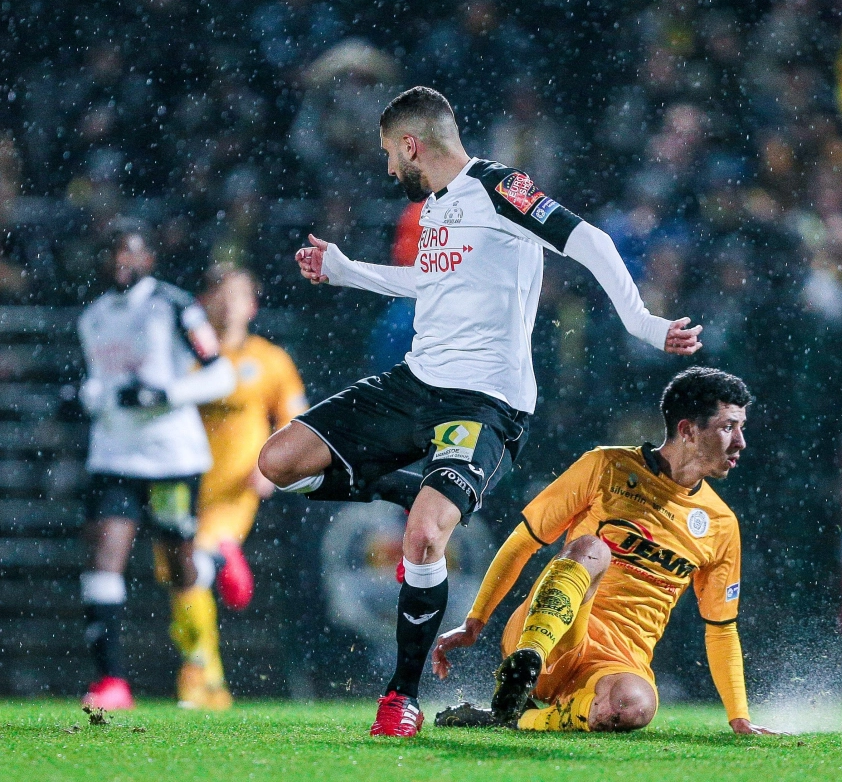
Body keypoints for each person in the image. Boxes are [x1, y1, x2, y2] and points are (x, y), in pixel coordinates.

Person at [256, 86, 702, 737]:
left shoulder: (499, 187)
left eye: (388, 154)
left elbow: (590, 241)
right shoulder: (439, 207)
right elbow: (431, 284)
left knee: (426, 537)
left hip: (484, 401)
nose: (387, 169)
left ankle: (400, 698)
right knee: (279, 462)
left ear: (413, 143)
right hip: (414, 383)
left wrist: (642, 322)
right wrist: (347, 270)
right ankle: (411, 487)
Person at [432, 368, 776, 735]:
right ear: (688, 430)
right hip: (550, 631)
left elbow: (721, 627)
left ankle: (515, 718)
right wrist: (476, 620)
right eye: (728, 427)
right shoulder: (605, 466)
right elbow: (524, 541)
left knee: (635, 707)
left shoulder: (721, 523)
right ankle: (527, 662)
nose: (740, 441)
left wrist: (739, 717)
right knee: (592, 548)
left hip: (616, 663)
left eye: (741, 428)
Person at [77, 230, 237, 710]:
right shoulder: (93, 316)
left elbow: (220, 373)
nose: (121, 260)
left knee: (179, 567)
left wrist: (164, 393)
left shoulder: (175, 305)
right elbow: (92, 385)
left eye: (130, 250)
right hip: (113, 458)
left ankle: (214, 563)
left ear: (149, 256)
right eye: (113, 251)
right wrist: (91, 398)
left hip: (171, 459)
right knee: (105, 560)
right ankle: (111, 681)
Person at [165, 264, 307, 709]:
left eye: (238, 295)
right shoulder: (182, 354)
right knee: (180, 582)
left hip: (233, 489)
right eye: (220, 294)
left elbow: (295, 419)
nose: (228, 305)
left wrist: (271, 468)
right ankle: (206, 674)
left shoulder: (270, 360)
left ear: (253, 304)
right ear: (203, 301)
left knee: (192, 567)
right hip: (181, 480)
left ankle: (202, 677)